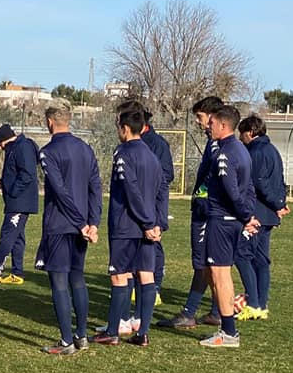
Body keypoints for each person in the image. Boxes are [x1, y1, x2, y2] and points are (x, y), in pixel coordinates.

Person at [93, 101, 162, 347]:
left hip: (127, 225)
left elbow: (132, 190)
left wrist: (145, 222)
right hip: (147, 226)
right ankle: (142, 331)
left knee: (119, 276)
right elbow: (159, 190)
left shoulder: (123, 153)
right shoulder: (152, 156)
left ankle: (112, 331)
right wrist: (156, 223)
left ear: (124, 128)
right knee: (146, 275)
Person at [35, 106, 102, 354]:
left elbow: (59, 191)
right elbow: (96, 186)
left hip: (61, 225)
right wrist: (93, 221)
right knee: (78, 278)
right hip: (81, 226)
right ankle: (81, 336)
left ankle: (66, 341)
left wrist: (82, 222)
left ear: (50, 122)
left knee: (59, 281)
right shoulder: (85, 149)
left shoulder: (48, 152)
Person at [158, 96, 224, 329]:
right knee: (210, 262)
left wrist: (203, 197)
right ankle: (217, 311)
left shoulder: (219, 144)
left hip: (207, 210)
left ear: (212, 117)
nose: (197, 122)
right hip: (207, 207)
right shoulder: (213, 142)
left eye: (200, 117)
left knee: (204, 262)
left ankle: (189, 312)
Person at [199, 105, 259, 348]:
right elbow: (249, 189)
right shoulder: (241, 150)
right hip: (232, 220)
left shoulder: (225, 152)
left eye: (211, 123)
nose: (208, 126)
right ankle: (228, 329)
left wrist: (246, 216)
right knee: (220, 273)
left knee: (220, 274)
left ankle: (229, 332)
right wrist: (248, 214)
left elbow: (232, 191)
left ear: (223, 125)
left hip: (223, 221)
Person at [234, 115, 289, 320]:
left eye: (242, 133)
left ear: (250, 132)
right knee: (261, 259)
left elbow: (259, 183)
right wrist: (280, 204)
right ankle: (262, 304)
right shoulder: (273, 150)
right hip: (269, 215)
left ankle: (254, 303)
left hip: (257, 213)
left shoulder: (256, 152)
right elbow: (280, 180)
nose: (241, 138)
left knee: (242, 255)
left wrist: (276, 204)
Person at [0, 124, 39, 285]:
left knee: (7, 236)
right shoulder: (15, 148)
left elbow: (27, 174)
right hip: (16, 201)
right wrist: (2, 183)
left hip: (20, 202)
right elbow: (15, 173)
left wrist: (12, 191)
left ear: (3, 140)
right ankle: (17, 273)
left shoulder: (22, 147)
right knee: (17, 237)